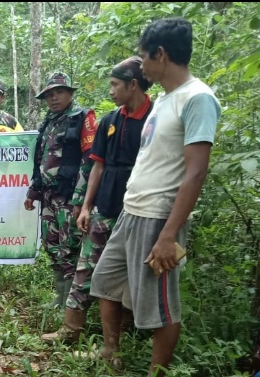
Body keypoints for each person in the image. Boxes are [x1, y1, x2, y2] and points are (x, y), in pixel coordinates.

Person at [87, 18, 221, 376]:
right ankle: (109, 351)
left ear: (161, 54)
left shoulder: (198, 99)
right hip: (132, 210)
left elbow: (195, 172)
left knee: (161, 306)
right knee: (105, 282)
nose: (141, 66)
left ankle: (156, 372)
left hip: (159, 217)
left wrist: (168, 235)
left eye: (144, 57)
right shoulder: (164, 99)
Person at [41, 56, 154, 344]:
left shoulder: (155, 118)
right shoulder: (109, 121)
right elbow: (96, 165)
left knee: (135, 270)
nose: (111, 91)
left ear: (133, 84)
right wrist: (86, 205)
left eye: (115, 85)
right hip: (105, 205)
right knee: (86, 265)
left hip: (142, 207)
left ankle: (128, 331)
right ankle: (71, 328)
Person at [24, 72, 97, 309]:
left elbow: (90, 160)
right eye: (49, 95)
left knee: (70, 248)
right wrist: (34, 190)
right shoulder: (49, 122)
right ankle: (60, 298)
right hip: (48, 196)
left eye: (59, 93)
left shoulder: (82, 118)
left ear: (70, 94)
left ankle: (72, 304)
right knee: (51, 244)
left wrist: (81, 199)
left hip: (69, 198)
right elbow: (41, 160)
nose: (54, 98)